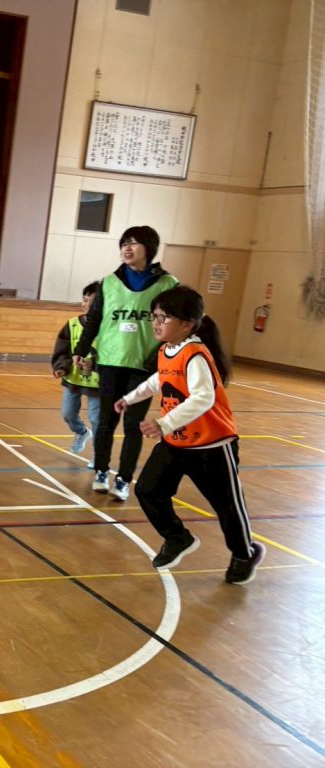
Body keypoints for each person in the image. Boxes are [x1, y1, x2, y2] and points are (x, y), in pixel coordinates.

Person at [115, 286, 265, 585]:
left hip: (212, 444)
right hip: (178, 442)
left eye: (164, 318)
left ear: (187, 324)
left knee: (227, 505)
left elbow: (203, 398)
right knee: (148, 490)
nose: (157, 323)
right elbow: (159, 379)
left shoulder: (195, 354)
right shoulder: (167, 350)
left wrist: (163, 424)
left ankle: (244, 553)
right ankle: (177, 538)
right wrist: (130, 397)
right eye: (154, 317)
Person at [72, 225, 178, 502]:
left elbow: (178, 325)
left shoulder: (168, 285)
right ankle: (101, 471)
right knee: (106, 422)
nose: (127, 249)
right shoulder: (108, 283)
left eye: (134, 243)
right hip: (109, 362)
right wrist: (82, 350)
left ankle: (124, 479)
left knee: (133, 425)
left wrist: (163, 357)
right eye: (124, 244)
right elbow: (94, 319)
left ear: (149, 248)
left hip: (144, 366)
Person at [51, 281, 101, 458]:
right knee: (68, 414)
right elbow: (62, 349)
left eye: (92, 301)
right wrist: (61, 367)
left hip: (98, 382)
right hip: (74, 378)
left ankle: (99, 457)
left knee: (97, 420)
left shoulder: (108, 328)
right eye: (85, 300)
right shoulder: (72, 324)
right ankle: (81, 432)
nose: (86, 304)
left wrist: (95, 365)